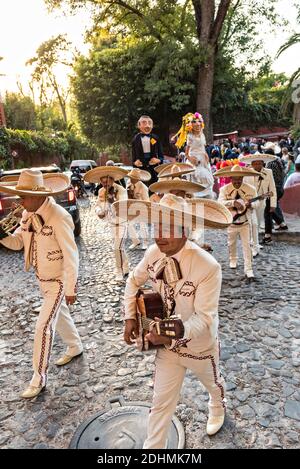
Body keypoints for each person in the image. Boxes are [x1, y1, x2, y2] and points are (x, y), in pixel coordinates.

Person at [114, 193, 229, 448]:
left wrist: (173, 333)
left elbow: (205, 318)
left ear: (185, 230)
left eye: (168, 228)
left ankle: (217, 407)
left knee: (213, 384)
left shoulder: (207, 266)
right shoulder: (154, 252)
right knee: (160, 404)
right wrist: (130, 316)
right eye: (157, 226)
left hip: (200, 348)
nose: (159, 235)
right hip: (167, 350)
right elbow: (133, 280)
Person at [0, 169, 83, 399]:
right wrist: (1, 234)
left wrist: (70, 287)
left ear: (36, 196)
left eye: (22, 197)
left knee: (43, 326)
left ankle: (39, 377)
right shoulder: (27, 215)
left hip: (57, 282)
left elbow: (71, 254)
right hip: (42, 279)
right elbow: (18, 244)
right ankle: (75, 346)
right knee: (61, 315)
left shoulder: (60, 216)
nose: (19, 202)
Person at [84, 165, 129, 282]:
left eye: (107, 182)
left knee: (116, 247)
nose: (105, 185)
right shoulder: (101, 191)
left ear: (113, 180)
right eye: (103, 183)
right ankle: (126, 266)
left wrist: (113, 200)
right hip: (112, 222)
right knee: (119, 247)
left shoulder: (121, 190)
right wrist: (99, 212)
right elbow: (98, 205)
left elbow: (123, 207)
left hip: (122, 222)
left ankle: (119, 270)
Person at [216, 165, 260, 280]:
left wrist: (251, 205)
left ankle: (249, 269)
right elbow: (219, 202)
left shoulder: (251, 189)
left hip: (246, 222)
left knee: (247, 246)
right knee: (231, 243)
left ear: (243, 178)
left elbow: (257, 204)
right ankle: (233, 259)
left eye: (239, 179)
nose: (237, 182)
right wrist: (232, 202)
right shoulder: (224, 189)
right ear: (231, 178)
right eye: (235, 179)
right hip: (231, 223)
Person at [241, 153, 277, 257]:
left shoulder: (269, 172)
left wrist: (273, 204)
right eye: (255, 163)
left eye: (259, 163)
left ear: (263, 163)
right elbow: (243, 187)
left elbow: (272, 188)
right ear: (251, 164)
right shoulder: (247, 173)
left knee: (258, 221)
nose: (257, 165)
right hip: (250, 203)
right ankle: (253, 245)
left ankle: (254, 241)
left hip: (262, 202)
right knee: (253, 223)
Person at [174, 112, 214, 198]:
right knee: (198, 177)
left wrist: (206, 156)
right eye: (195, 122)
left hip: (203, 160)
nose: (198, 124)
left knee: (208, 180)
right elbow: (186, 152)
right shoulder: (190, 136)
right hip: (194, 160)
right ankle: (196, 197)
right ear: (191, 125)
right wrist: (190, 158)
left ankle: (206, 197)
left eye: (199, 122)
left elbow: (203, 147)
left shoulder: (202, 135)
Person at [132, 115, 164, 186]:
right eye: (144, 123)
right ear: (139, 125)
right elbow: (133, 157)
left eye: (149, 123)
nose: (147, 126)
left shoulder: (156, 138)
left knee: (154, 187)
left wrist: (158, 160)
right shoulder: (135, 139)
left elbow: (161, 156)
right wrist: (135, 163)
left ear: (152, 125)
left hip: (153, 169)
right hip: (141, 170)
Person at [126, 168, 151, 250]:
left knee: (142, 225)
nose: (131, 179)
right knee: (128, 224)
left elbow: (147, 201)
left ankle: (145, 242)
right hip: (131, 208)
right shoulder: (128, 183)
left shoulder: (143, 188)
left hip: (142, 208)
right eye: (130, 177)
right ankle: (135, 241)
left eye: (133, 178)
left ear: (137, 179)